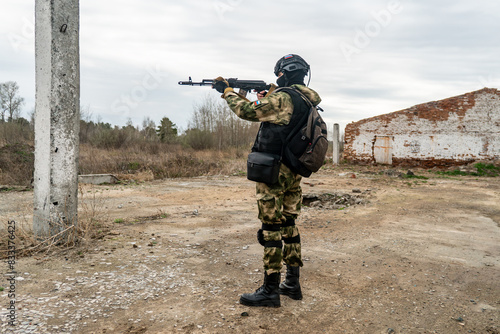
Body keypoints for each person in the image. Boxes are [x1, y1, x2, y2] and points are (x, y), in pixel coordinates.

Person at [213, 54, 321, 307]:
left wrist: (227, 91)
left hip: (275, 170)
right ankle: (292, 284)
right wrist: (265, 96)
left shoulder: (283, 97)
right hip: (293, 169)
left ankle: (270, 290)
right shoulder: (306, 98)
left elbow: (248, 111)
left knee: (271, 228)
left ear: (282, 73)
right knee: (289, 224)